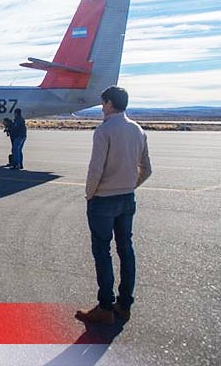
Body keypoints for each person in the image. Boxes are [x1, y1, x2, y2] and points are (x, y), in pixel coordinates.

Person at [75, 86, 152, 325]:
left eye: (103, 103)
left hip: (103, 200)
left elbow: (95, 169)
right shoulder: (138, 130)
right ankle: (124, 304)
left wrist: (90, 194)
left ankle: (105, 307)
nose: (101, 108)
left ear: (109, 104)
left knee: (102, 252)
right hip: (127, 198)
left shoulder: (104, 131)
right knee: (126, 250)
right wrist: (129, 185)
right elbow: (147, 169)